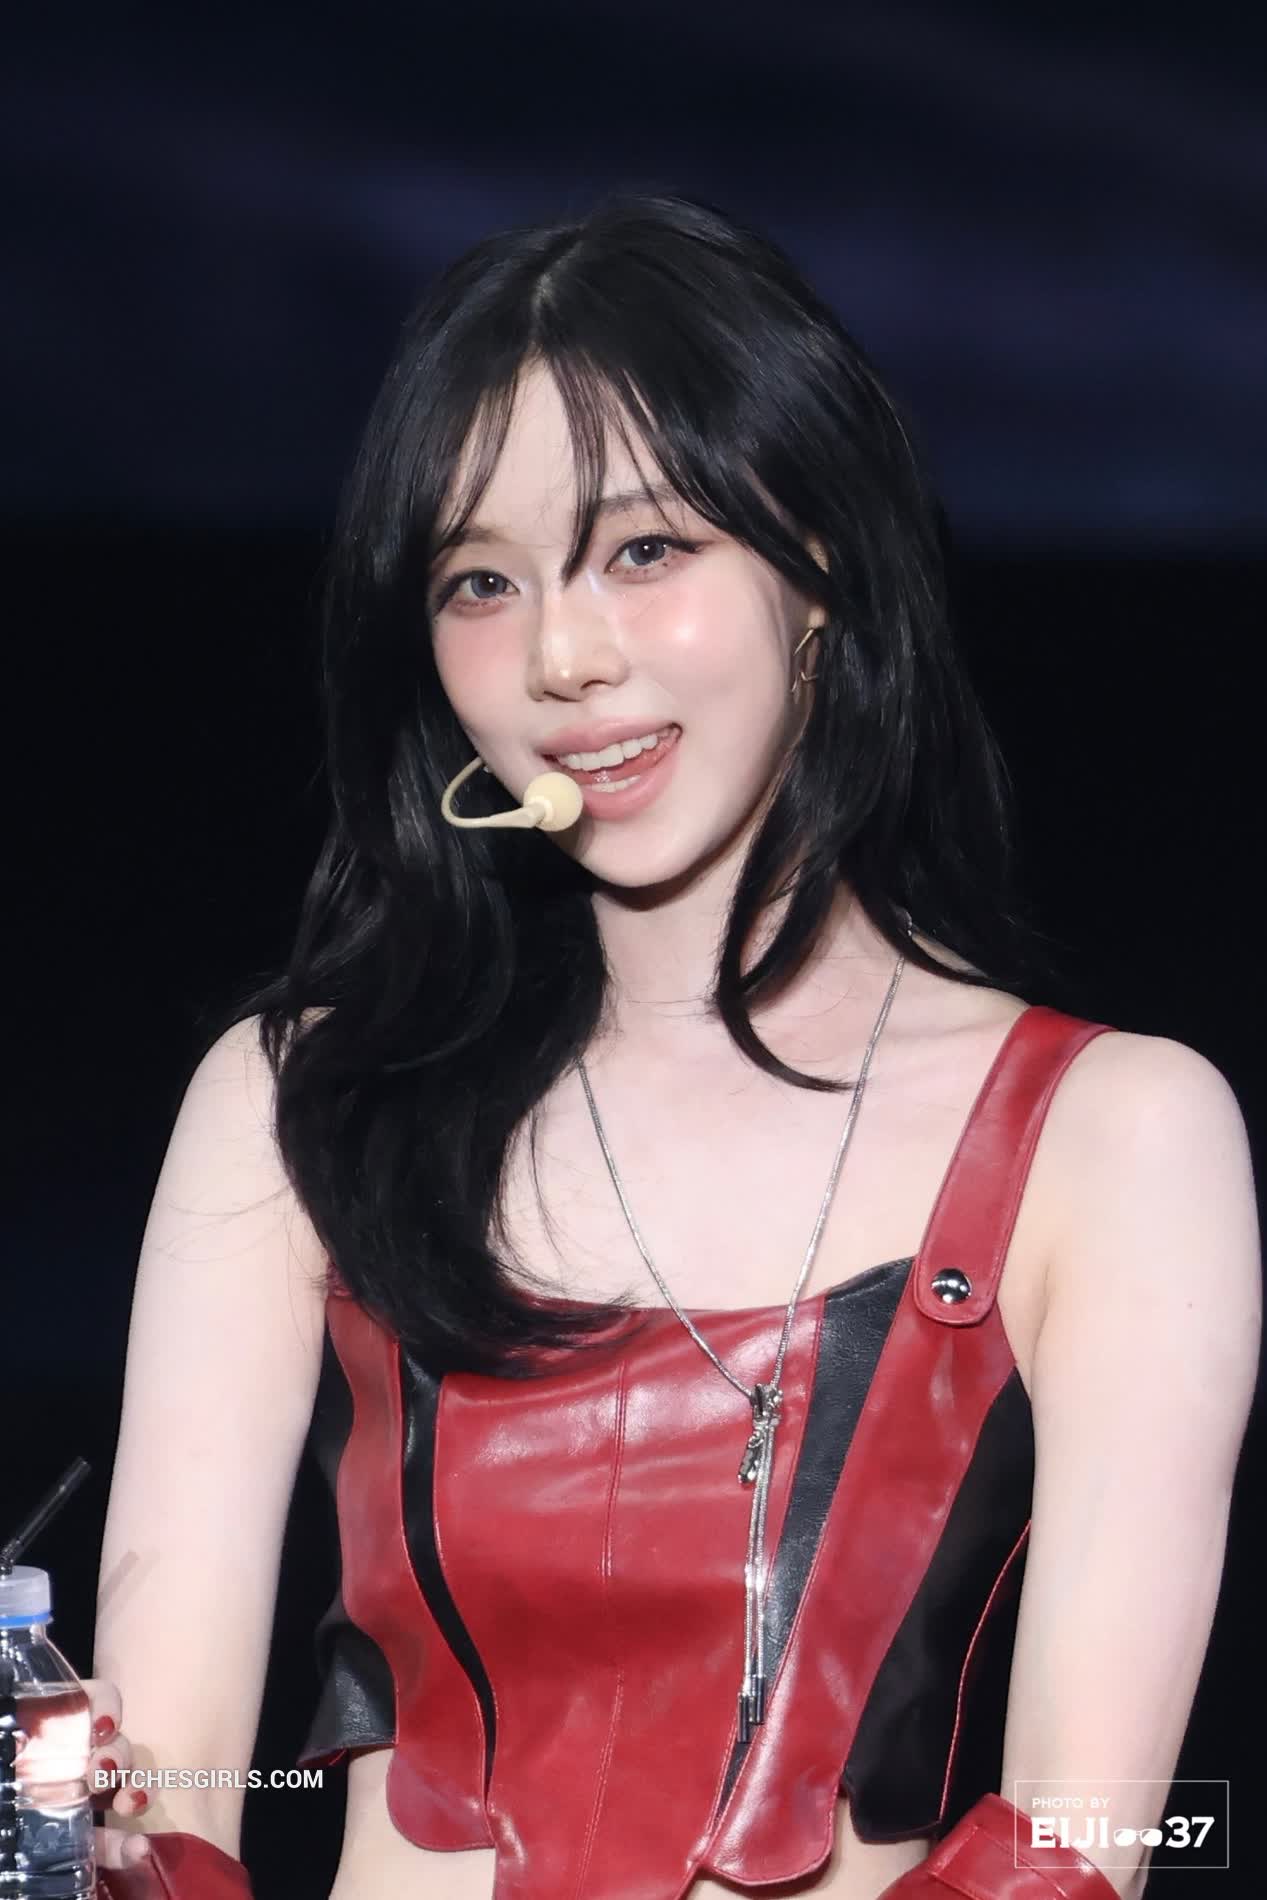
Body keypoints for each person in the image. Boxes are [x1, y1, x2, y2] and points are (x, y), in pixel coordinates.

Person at [90, 191, 1259, 1900]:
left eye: (644, 551)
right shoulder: (299, 1107)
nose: (562, 657)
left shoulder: (1113, 1133)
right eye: (481, 582)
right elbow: (168, 1792)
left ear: (821, 571)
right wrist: (95, 1826)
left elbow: (1086, 1836)